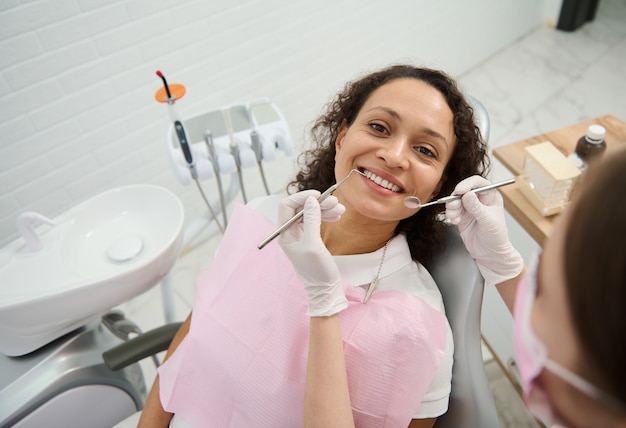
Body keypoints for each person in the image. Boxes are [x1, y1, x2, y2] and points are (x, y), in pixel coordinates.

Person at [136, 64, 524, 428]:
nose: (393, 155)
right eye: (378, 127)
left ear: (439, 186)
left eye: (425, 150)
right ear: (341, 137)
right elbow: (192, 339)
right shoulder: (262, 217)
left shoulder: (416, 323)